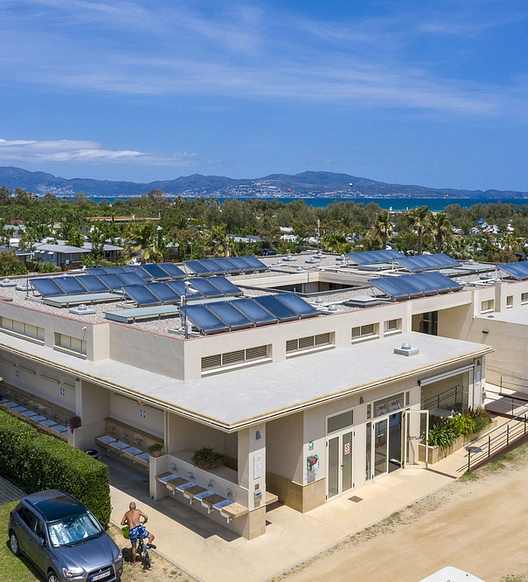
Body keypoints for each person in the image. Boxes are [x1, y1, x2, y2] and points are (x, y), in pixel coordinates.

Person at [121, 501, 156, 566]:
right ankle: (149, 543)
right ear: (135, 507)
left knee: (133, 547)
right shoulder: (137, 511)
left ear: (129, 507)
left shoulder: (127, 513)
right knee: (151, 536)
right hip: (139, 528)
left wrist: (128, 523)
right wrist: (144, 521)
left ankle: (133, 562)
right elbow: (146, 516)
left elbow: (122, 523)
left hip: (132, 531)